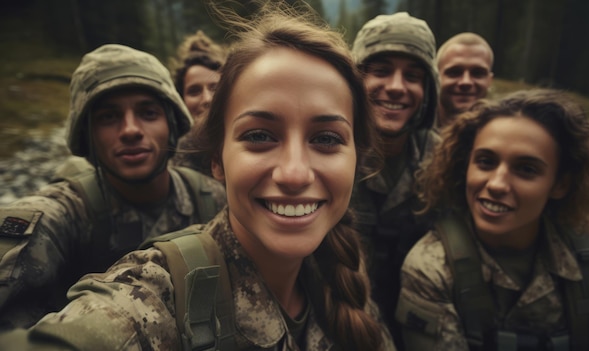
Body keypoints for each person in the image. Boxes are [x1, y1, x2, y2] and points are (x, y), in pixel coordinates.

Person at [0, 2, 396, 350]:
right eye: (259, 136)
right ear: (217, 161)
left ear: (356, 159)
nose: (294, 173)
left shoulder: (342, 269)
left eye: (326, 138)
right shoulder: (151, 299)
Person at [0, 44, 226, 331]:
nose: (130, 129)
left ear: (171, 125)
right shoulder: (69, 212)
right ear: (88, 136)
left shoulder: (214, 198)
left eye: (148, 113)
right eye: (108, 117)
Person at [396, 89, 589, 350]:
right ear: (465, 165)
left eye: (526, 169)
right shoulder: (432, 268)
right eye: (485, 161)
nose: (496, 184)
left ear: (560, 184)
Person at [349, 11, 440, 347]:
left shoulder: (445, 163)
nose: (397, 87)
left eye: (413, 75)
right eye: (381, 70)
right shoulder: (325, 151)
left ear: (427, 90)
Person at [170, 30, 228, 172]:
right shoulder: (171, 155)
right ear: (181, 100)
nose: (207, 99)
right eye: (194, 91)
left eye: (214, 88)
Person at [436, 32, 494, 128]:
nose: (466, 82)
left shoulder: (499, 137)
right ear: (436, 77)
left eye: (477, 73)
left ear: (489, 80)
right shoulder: (412, 136)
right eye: (454, 72)